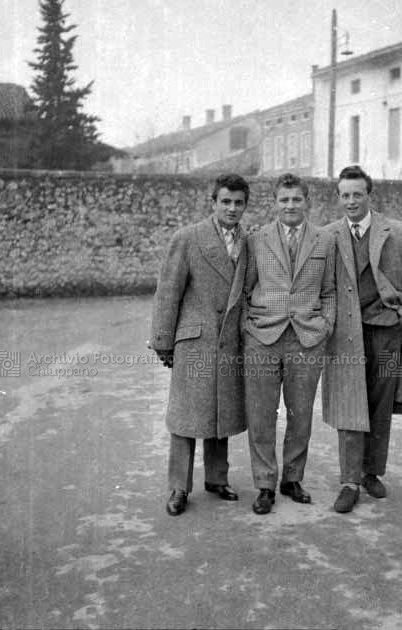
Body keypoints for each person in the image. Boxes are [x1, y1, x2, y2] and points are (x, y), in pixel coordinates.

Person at [322, 165, 402, 513]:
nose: (351, 201)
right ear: (338, 197)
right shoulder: (328, 236)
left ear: (369, 195)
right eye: (345, 195)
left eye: (358, 194)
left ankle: (371, 472)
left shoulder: (400, 233)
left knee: (379, 406)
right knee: (348, 405)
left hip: (387, 332)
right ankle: (348, 482)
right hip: (345, 337)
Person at [150, 173, 250, 516]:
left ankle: (216, 479)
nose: (232, 209)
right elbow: (168, 292)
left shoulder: (247, 242)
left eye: (238, 203)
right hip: (195, 342)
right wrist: (163, 341)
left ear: (245, 206)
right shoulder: (188, 238)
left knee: (219, 412)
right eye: (225, 201)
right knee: (186, 418)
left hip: (229, 341)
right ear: (213, 202)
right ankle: (178, 487)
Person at [243, 173, 336, 515]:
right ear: (275, 203)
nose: (290, 205)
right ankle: (265, 484)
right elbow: (244, 287)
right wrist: (248, 329)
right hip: (263, 338)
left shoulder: (324, 240)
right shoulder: (256, 240)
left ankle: (292, 479)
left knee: (300, 416)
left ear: (307, 201)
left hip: (307, 340)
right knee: (261, 415)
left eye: (296, 199)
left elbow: (329, 291)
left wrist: (325, 326)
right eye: (284, 200)